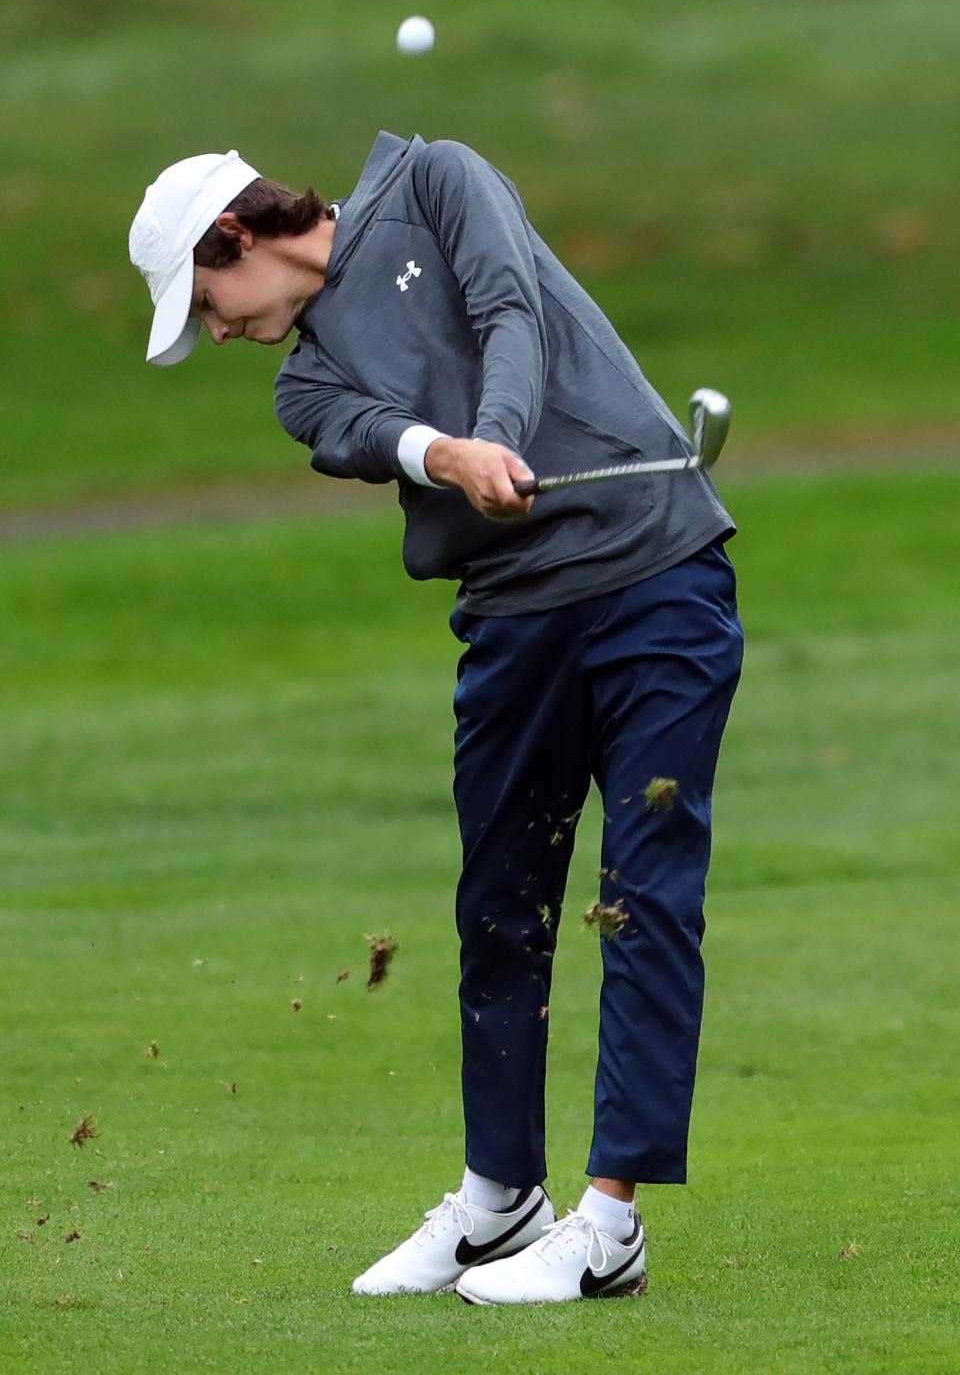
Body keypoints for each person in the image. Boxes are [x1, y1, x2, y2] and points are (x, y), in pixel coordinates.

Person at [129, 133, 743, 1305]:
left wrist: (494, 432)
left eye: (204, 300)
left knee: (641, 898)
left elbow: (513, 312)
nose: (212, 329)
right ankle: (500, 1200)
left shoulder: (436, 179)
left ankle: (609, 1225)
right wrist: (453, 454)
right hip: (514, 618)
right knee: (499, 908)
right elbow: (375, 437)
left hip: (655, 576)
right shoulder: (302, 384)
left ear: (234, 239)